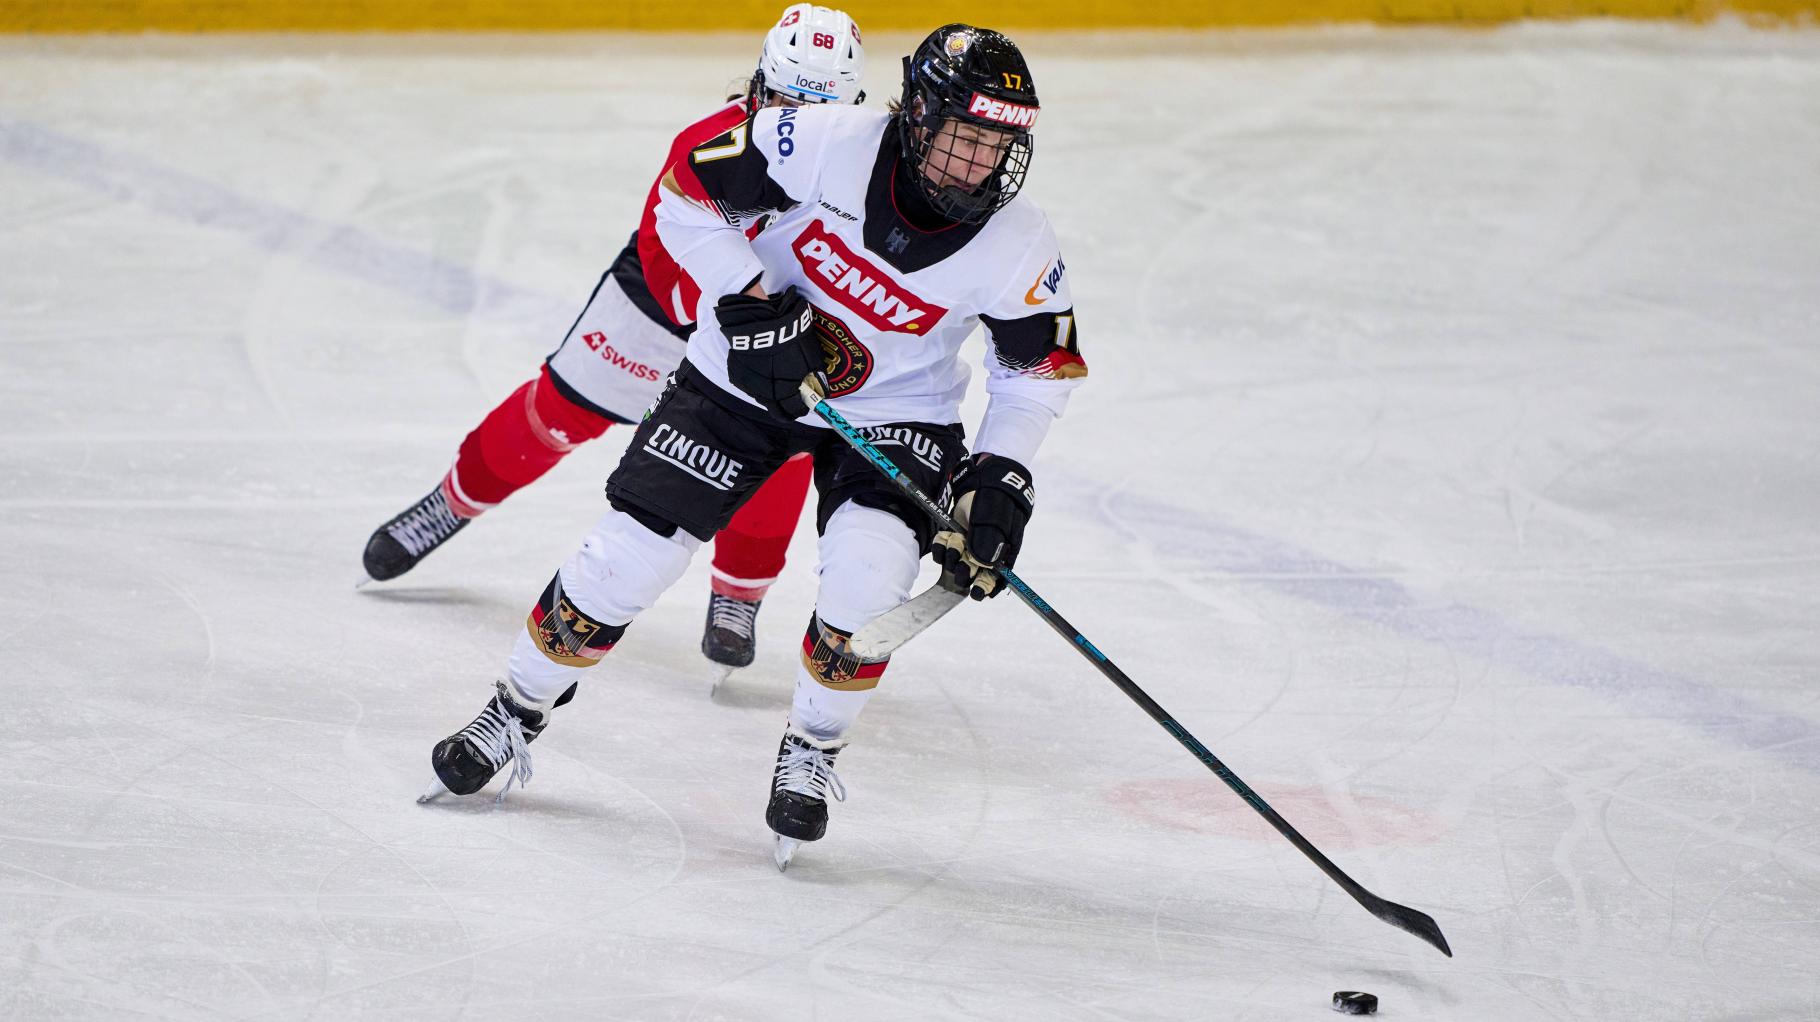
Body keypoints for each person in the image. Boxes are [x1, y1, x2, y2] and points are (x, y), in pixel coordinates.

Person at [421, 24, 1087, 869]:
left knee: (866, 585)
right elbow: (685, 195)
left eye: (999, 144)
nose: (979, 163)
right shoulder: (817, 142)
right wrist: (750, 300)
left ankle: (812, 747)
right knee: (623, 561)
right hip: (741, 383)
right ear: (918, 116)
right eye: (966, 136)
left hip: (897, 414)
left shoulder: (1021, 242)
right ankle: (514, 708)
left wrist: (1001, 474)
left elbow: (1037, 372)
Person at [362, 3, 866, 676]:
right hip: (665, 309)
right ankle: (452, 501)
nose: (792, 124)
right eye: (781, 100)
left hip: (772, 328)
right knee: (558, 412)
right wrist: (733, 327)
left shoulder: (861, 180)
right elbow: (666, 261)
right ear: (757, 86)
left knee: (781, 452)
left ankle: (738, 596)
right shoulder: (710, 145)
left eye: (816, 110)